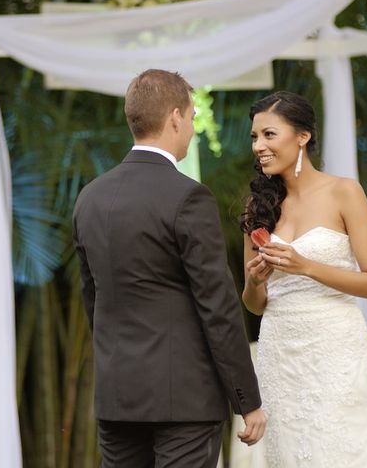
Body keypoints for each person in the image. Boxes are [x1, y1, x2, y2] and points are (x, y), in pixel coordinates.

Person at [73, 69, 266, 468]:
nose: (192, 128)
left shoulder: (88, 199)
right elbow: (218, 306)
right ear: (175, 117)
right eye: (193, 118)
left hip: (117, 397)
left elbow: (92, 298)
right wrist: (247, 400)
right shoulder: (188, 197)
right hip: (185, 399)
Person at [240, 91, 367, 467]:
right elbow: (254, 305)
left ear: (302, 136)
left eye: (269, 135)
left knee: (342, 446)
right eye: (255, 137)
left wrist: (305, 265)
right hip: (279, 350)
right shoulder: (257, 206)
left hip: (334, 346)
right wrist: (256, 281)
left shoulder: (344, 192)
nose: (259, 146)